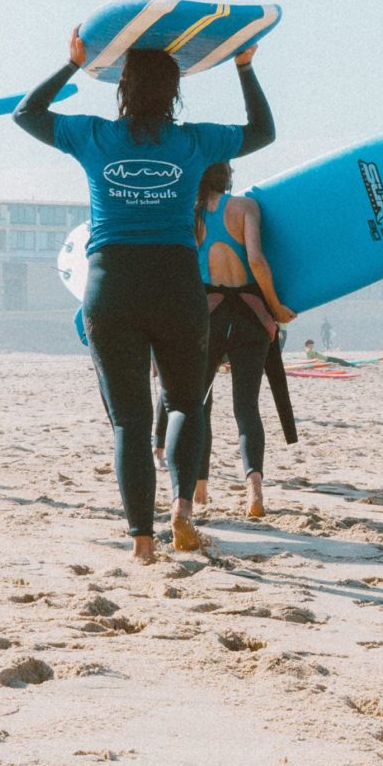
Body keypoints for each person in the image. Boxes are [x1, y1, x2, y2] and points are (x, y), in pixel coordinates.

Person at [14, 30, 276, 563]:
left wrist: (70, 64)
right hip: (177, 282)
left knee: (130, 421)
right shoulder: (194, 142)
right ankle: (181, 511)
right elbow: (263, 132)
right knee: (185, 401)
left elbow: (26, 113)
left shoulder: (93, 136)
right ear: (175, 92)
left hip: (111, 284)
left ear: (121, 88)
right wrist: (244, 67)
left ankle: (141, 543)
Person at [156, 162, 297, 517]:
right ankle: (255, 494)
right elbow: (257, 260)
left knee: (196, 403)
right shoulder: (246, 207)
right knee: (246, 408)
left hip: (208, 318)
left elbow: (179, 270)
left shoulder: (191, 215)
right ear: (228, 177)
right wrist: (276, 306)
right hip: (251, 317)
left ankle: (196, 489)